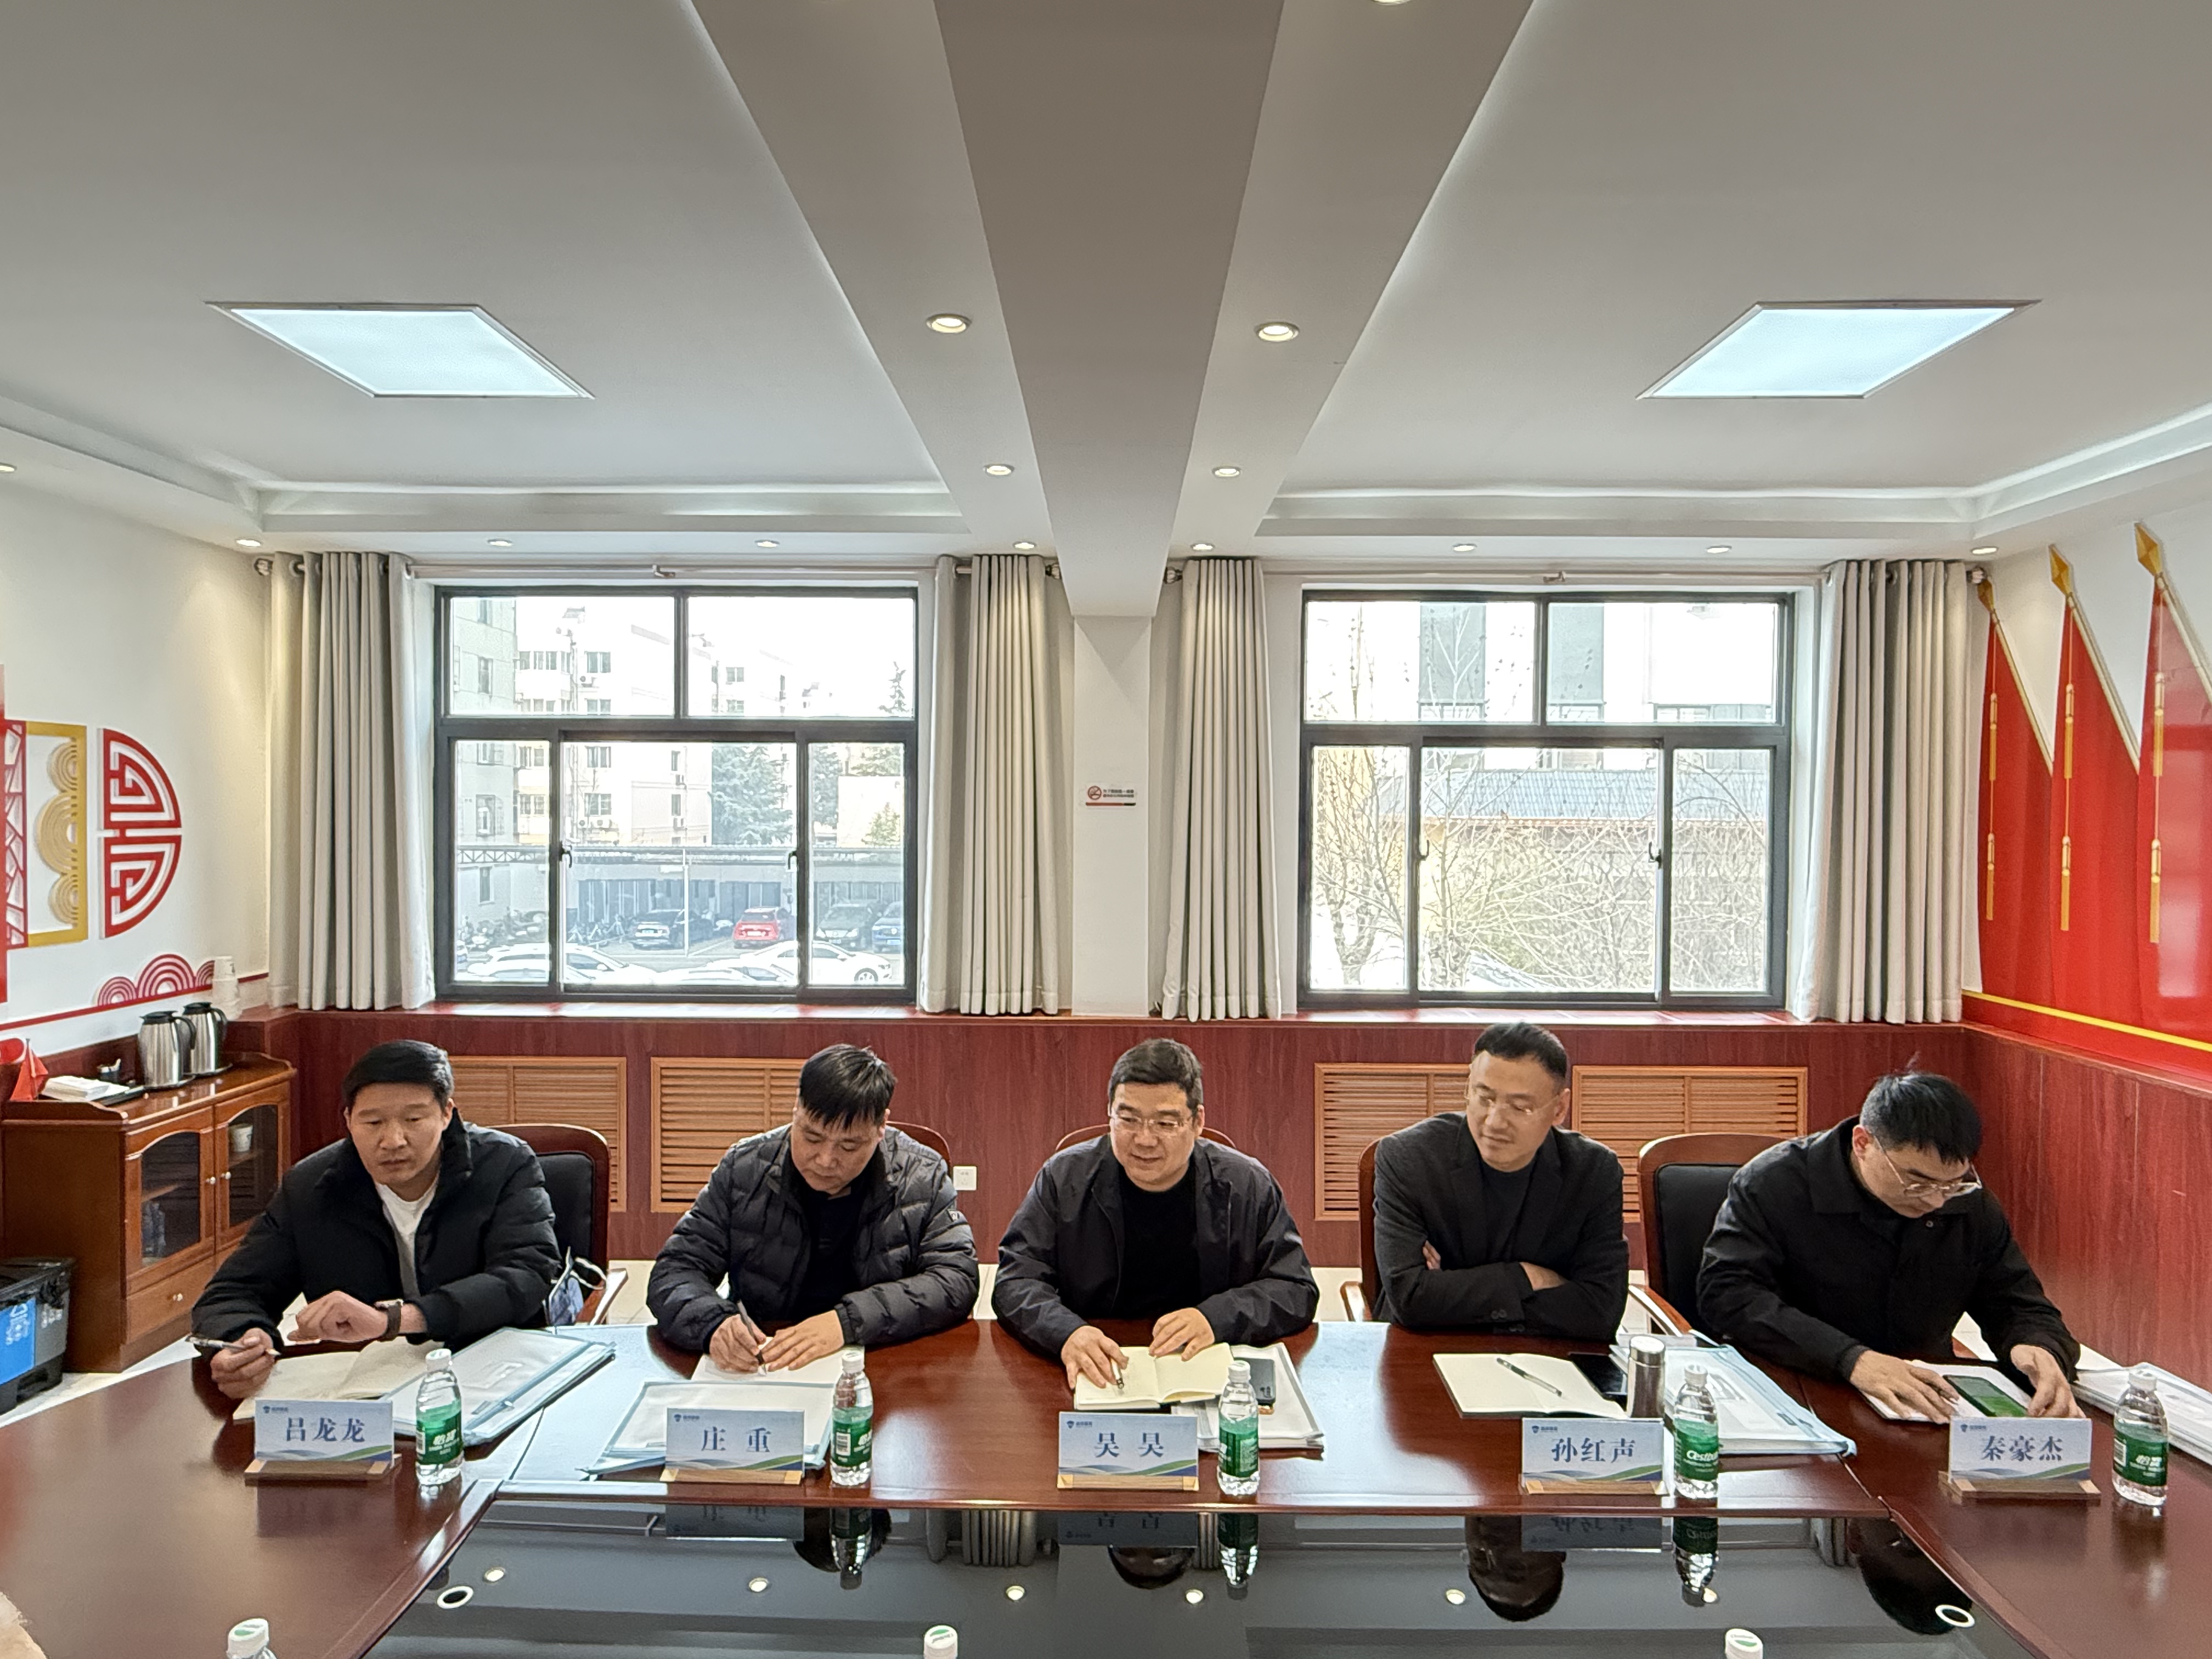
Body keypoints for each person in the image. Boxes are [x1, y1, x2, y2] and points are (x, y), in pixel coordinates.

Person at [192, 1039, 560, 1400]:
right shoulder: (311, 1187)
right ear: (348, 1120)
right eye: (373, 1122)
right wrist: (242, 1339)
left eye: (413, 1119)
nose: (393, 1140)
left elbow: (527, 1273)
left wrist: (395, 1321)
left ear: (447, 1114)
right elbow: (232, 1293)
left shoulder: (504, 1164)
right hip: (365, 1390)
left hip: (490, 1370)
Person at [1699, 1071, 2080, 1419]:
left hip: (1923, 1400)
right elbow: (1729, 1294)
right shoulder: (1775, 1183)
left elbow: (2017, 1301)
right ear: (1863, 1143)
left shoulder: (1969, 1203)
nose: (1935, 1200)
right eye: (1917, 1181)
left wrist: (2038, 1347)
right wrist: (1850, 1359)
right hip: (1799, 1388)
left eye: (1952, 1183)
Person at [993, 1038, 1318, 1387]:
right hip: (1099, 1367)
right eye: (1128, 1119)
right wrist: (1067, 1332)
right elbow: (1016, 1280)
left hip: (1204, 1366)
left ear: (1197, 1121)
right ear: (1109, 1113)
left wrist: (1217, 1318)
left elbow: (1295, 1288)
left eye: (1165, 1123)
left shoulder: (1247, 1185)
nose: (1144, 1140)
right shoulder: (1063, 1178)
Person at [648, 1043, 978, 1371]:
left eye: (849, 1146)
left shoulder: (922, 1174)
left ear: (881, 1127)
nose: (825, 1160)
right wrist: (712, 1323)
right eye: (812, 1137)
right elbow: (677, 1269)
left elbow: (956, 1278)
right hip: (767, 1361)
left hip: (879, 1359)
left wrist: (846, 1322)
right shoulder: (744, 1169)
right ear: (796, 1109)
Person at [1370, 1022, 1628, 1339]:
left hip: (1544, 1355)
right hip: (1423, 1349)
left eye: (1520, 1107)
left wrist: (1449, 1294)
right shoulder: (1411, 1159)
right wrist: (1526, 1278)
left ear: (1559, 1108)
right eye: (1484, 1098)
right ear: (1468, 1088)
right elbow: (1410, 1298)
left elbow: (1600, 1311)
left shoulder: (1593, 1172)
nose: (1494, 1122)